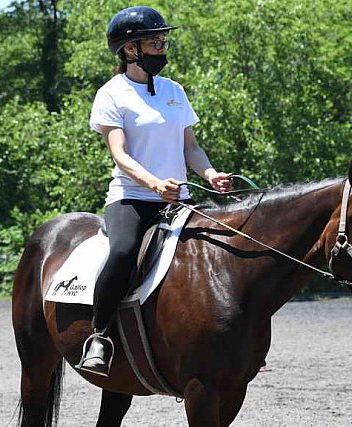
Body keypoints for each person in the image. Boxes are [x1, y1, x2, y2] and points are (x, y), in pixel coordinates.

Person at [76, 6, 232, 377]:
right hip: (133, 197)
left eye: (164, 41)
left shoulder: (174, 91)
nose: (163, 48)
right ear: (131, 50)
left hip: (179, 199)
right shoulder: (112, 93)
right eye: (155, 42)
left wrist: (209, 173)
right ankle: (99, 335)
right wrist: (153, 183)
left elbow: (190, 147)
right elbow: (120, 153)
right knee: (124, 250)